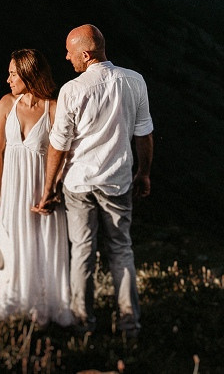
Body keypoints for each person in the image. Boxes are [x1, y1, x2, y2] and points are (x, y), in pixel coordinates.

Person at [34, 24, 153, 336]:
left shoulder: (72, 90)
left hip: (79, 183)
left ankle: (84, 324)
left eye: (70, 52)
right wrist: (144, 172)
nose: (66, 57)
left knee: (83, 252)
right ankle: (130, 325)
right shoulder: (134, 81)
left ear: (85, 54)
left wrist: (49, 189)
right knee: (121, 250)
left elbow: (59, 146)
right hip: (118, 180)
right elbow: (144, 133)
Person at [0, 49, 73, 326]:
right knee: (13, 245)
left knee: (41, 245)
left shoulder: (54, 108)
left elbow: (66, 156)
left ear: (28, 74)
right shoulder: (7, 104)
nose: (8, 79)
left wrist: (54, 190)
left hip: (40, 192)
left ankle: (43, 311)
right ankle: (12, 308)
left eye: (13, 73)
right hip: (11, 192)